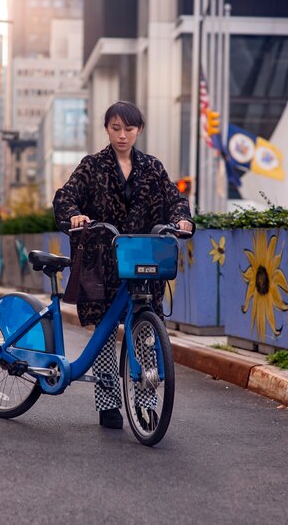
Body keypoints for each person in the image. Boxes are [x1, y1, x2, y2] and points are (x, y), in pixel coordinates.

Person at [53, 100, 195, 429]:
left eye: (128, 129)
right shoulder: (93, 166)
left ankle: (146, 403)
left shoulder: (153, 168)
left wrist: (182, 219)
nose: (122, 135)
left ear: (139, 130)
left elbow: (176, 199)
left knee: (145, 334)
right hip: (103, 262)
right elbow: (65, 196)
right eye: (115, 128)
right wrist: (74, 214)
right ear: (107, 129)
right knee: (104, 335)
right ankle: (108, 403)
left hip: (142, 262)